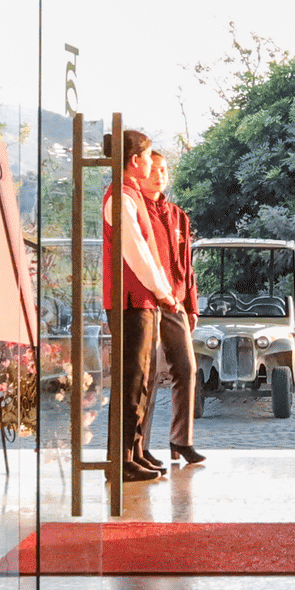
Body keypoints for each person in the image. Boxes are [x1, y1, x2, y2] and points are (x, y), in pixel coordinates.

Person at [101, 128, 178, 485]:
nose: (152, 163)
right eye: (148, 157)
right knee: (131, 380)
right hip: (130, 301)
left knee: (142, 378)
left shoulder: (129, 195)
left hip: (140, 300)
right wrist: (163, 291)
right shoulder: (121, 198)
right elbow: (137, 253)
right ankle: (122, 458)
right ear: (134, 162)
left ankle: (134, 450)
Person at [138, 149, 205, 467]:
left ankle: (181, 441)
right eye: (153, 169)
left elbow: (187, 267)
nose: (159, 174)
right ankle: (140, 447)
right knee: (146, 376)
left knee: (187, 369)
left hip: (175, 303)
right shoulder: (136, 211)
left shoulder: (178, 215)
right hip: (148, 302)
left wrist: (192, 305)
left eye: (164, 169)